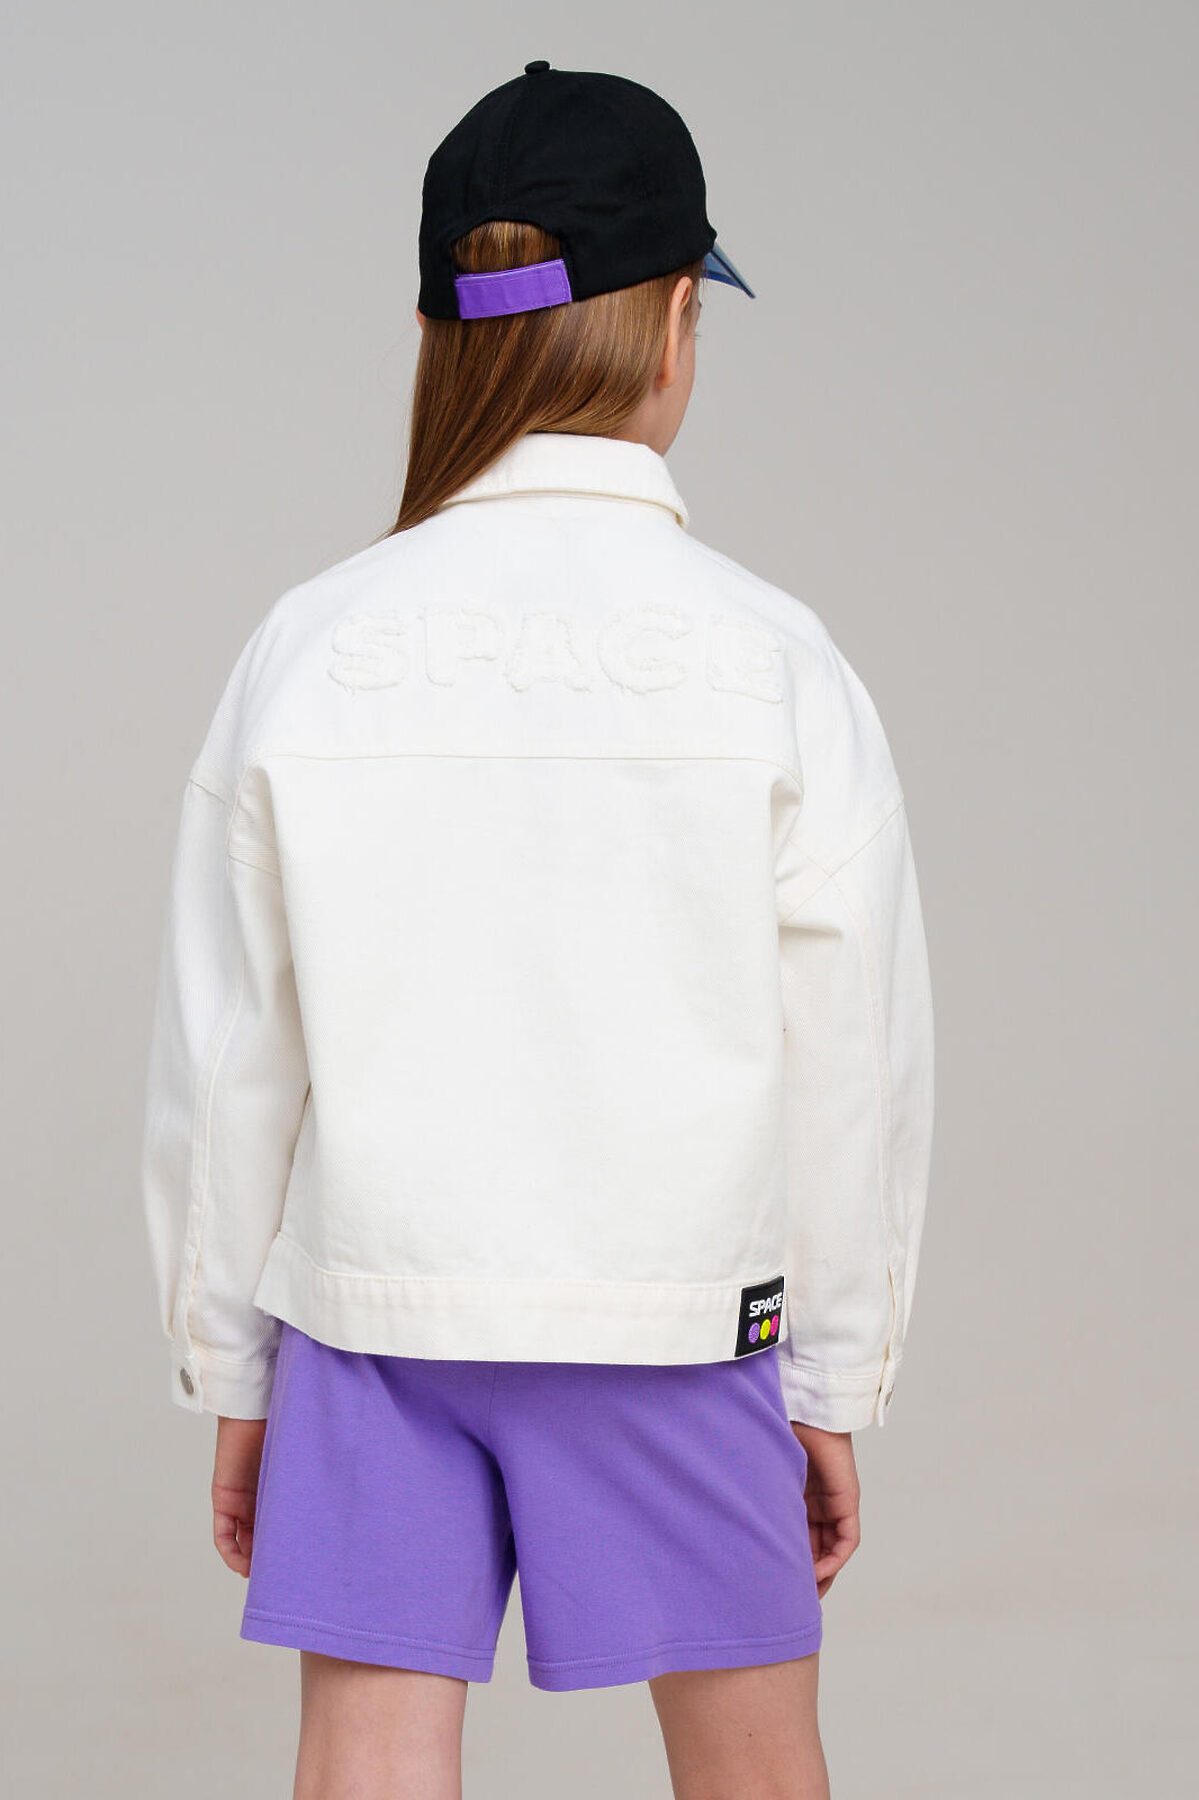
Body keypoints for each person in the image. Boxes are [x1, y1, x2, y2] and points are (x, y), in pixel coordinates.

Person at [141, 61, 935, 1800]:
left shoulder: (310, 643)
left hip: (371, 1320)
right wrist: (829, 1378)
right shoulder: (774, 657)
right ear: (674, 327)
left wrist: (234, 1364)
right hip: (678, 1326)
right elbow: (852, 1060)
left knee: (367, 1761)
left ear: (447, 335)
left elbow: (229, 1052)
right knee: (754, 1769)